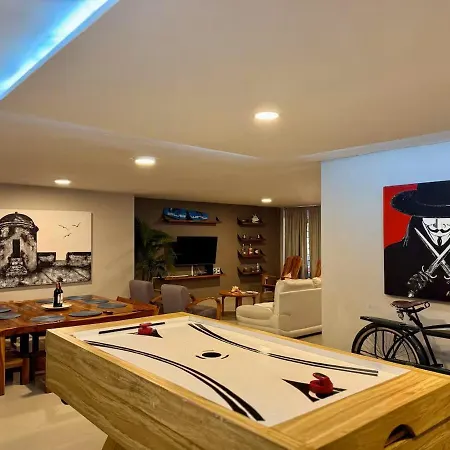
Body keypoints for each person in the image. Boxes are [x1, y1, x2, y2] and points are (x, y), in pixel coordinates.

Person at [384, 180, 450, 300]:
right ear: (419, 217)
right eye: (430, 216)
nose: (438, 226)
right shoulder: (393, 254)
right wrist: (407, 289)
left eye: (446, 217)